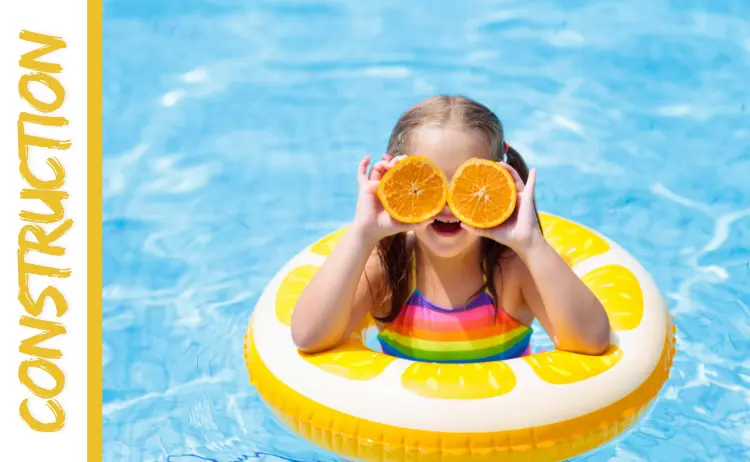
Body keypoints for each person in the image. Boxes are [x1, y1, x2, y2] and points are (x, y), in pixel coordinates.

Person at [291, 95, 611, 363]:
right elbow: (309, 337)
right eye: (428, 181)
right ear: (394, 177)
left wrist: (529, 243)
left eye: (467, 182)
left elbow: (591, 342)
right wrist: (363, 233)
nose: (447, 204)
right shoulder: (387, 268)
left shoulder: (514, 269)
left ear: (500, 177)